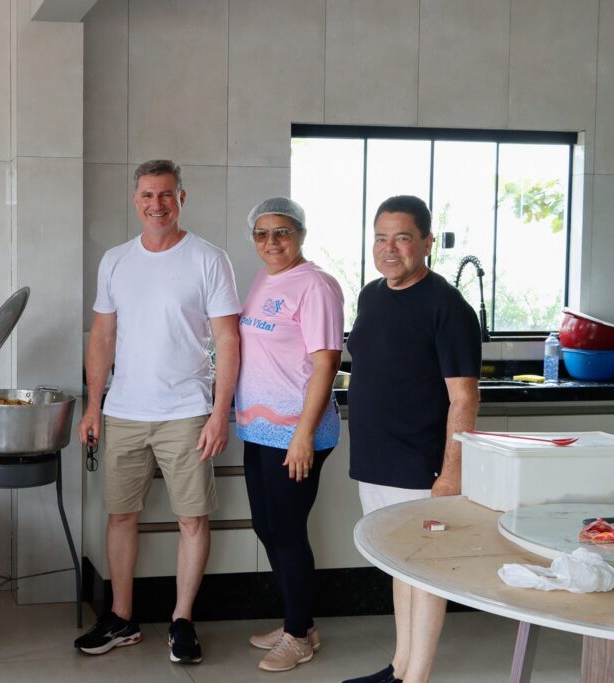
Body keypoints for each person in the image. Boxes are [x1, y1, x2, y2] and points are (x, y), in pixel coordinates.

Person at [74, 159, 241, 664]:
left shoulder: (209, 259)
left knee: (191, 518)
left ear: (181, 198)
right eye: (147, 195)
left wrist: (218, 412)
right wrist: (93, 406)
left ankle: (182, 620)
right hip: (123, 409)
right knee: (120, 514)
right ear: (136, 200)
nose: (157, 204)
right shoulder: (115, 261)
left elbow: (229, 340)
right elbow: (102, 337)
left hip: (188, 411)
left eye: (166, 194)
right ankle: (121, 617)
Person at [344, 195, 481, 683]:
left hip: (421, 465)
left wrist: (451, 473)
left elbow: (464, 399)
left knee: (425, 572)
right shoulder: (372, 295)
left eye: (402, 237)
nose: (389, 248)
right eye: (381, 237)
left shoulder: (447, 306)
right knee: (399, 565)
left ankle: (416, 677)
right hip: (376, 460)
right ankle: (399, 668)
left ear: (425, 242)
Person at [234, 197, 344, 673]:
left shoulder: (316, 285)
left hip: (297, 434)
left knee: (287, 530)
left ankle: (298, 636)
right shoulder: (265, 278)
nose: (271, 242)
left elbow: (327, 364)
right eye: (262, 233)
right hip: (259, 428)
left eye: (281, 232)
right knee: (266, 527)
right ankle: (299, 621)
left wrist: (302, 435)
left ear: (300, 233)